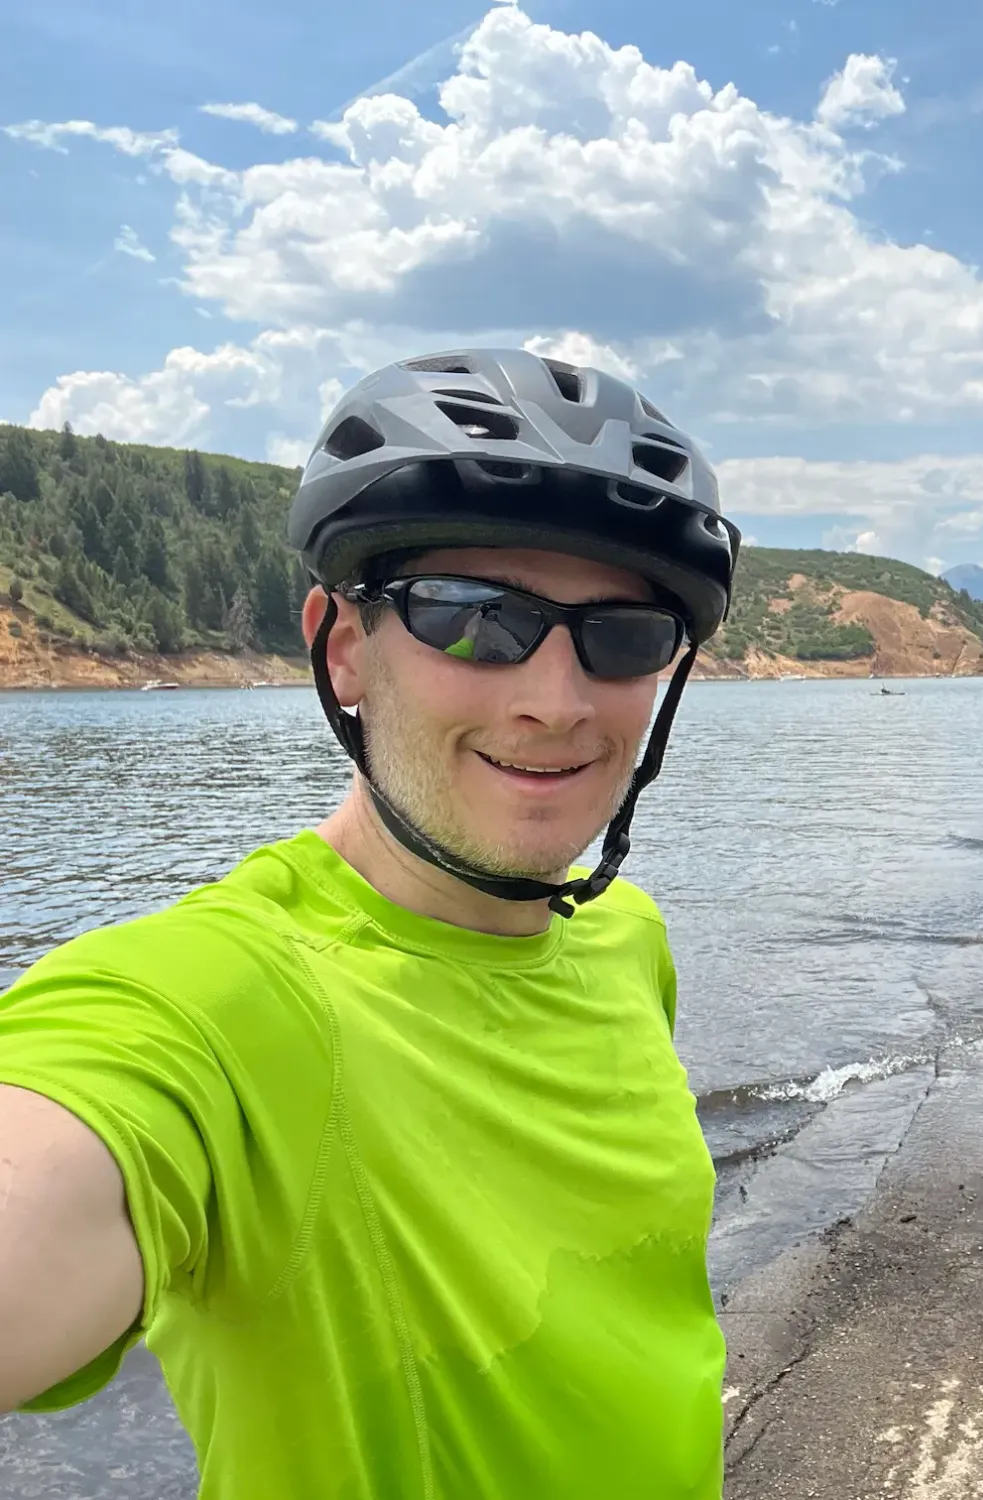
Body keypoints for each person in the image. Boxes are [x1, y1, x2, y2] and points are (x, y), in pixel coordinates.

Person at [0, 350, 740, 1497]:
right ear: (346, 649)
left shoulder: (624, 939)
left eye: (623, 636)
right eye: (473, 619)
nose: (553, 696)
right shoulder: (218, 998)